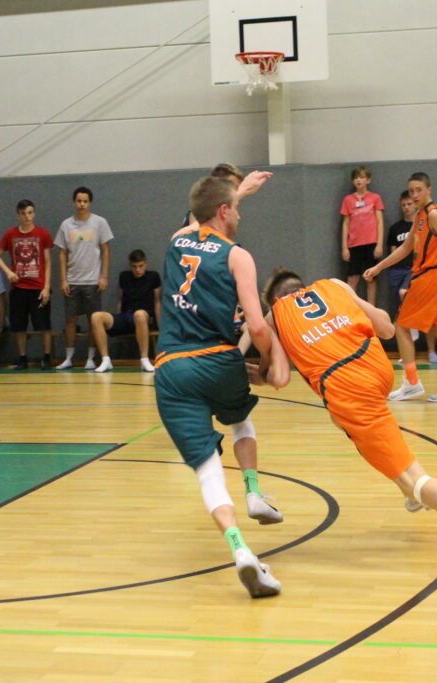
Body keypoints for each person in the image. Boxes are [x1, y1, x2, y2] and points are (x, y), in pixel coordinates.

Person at [258, 268, 437, 594]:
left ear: (275, 299)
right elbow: (387, 328)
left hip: (348, 387)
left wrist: (251, 374)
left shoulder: (276, 316)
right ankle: (409, 492)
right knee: (344, 421)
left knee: (415, 480)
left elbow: (279, 378)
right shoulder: (333, 286)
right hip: (377, 368)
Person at [154, 175, 289, 598]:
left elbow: (203, 216)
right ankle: (254, 490)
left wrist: (237, 192)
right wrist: (268, 362)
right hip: (217, 361)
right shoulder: (237, 256)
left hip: (171, 369)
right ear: (225, 211)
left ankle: (240, 549)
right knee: (240, 419)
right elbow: (257, 327)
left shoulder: (175, 241)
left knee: (207, 471)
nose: (240, 215)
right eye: (237, 207)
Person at [364, 171, 437, 402]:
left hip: (432, 275)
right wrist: (378, 267)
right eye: (411, 191)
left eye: (418, 190)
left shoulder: (434, 215)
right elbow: (405, 248)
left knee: (401, 327)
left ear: (429, 189)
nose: (414, 195)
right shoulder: (420, 215)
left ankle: (411, 383)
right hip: (436, 275)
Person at [55, 186, 113, 370]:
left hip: (93, 281)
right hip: (72, 280)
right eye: (79, 201)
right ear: (74, 202)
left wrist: (104, 276)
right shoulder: (66, 225)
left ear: (90, 203)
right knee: (70, 320)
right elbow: (62, 253)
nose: (82, 204)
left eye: (85, 201)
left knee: (93, 320)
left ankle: (90, 358)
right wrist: (63, 279)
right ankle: (69, 358)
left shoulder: (100, 222)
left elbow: (105, 250)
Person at [0, 199, 54, 370]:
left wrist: (46, 287)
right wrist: (8, 272)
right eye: (23, 213)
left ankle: (46, 358)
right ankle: (22, 358)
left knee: (44, 325)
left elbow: (48, 262)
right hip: (18, 288)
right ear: (18, 215)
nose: (27, 216)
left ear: (34, 213)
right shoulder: (10, 234)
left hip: (38, 287)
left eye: (30, 212)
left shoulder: (43, 234)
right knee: (19, 326)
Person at [91, 249, 162, 373]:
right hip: (126, 316)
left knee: (139, 314)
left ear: (146, 264)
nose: (138, 270)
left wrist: (159, 326)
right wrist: (118, 320)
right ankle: (106, 360)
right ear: (130, 265)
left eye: (140, 266)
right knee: (96, 316)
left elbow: (157, 302)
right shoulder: (124, 276)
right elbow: (121, 299)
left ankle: (144, 359)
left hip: (144, 316)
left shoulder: (153, 276)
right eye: (134, 267)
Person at [340, 166, 385, 306]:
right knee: (352, 278)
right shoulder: (348, 200)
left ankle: (371, 309)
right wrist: (344, 247)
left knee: (371, 278)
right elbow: (346, 223)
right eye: (356, 178)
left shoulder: (375, 198)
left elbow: (379, 221)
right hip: (354, 244)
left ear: (368, 180)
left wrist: (379, 244)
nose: (358, 180)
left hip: (371, 243)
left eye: (361, 177)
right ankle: (351, 308)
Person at [384, 190, 417, 318]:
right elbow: (393, 250)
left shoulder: (420, 226)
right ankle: (398, 324)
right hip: (397, 269)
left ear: (415, 204)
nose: (406, 207)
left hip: (413, 268)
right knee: (396, 303)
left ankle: (412, 323)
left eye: (409, 204)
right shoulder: (395, 228)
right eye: (403, 205)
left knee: (405, 293)